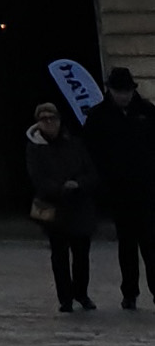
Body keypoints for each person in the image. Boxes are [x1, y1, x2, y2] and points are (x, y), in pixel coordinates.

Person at [87, 67, 155, 309]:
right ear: (110, 91)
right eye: (119, 91)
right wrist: (103, 185)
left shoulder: (147, 112)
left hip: (147, 191)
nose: (124, 96)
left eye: (127, 91)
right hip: (118, 192)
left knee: (150, 244)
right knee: (127, 246)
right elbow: (92, 154)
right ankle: (129, 292)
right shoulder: (98, 117)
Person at [27, 95, 100, 312]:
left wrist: (78, 184)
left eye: (53, 118)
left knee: (81, 256)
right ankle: (65, 298)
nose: (49, 122)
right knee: (59, 256)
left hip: (79, 207)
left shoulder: (75, 143)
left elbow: (91, 172)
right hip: (53, 209)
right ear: (38, 123)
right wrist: (60, 188)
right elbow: (37, 178)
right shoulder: (34, 148)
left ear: (60, 120)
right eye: (44, 119)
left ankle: (82, 293)